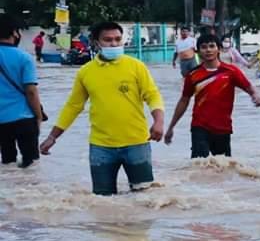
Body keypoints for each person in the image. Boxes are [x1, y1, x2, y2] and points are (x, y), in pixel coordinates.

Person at [40, 22, 165, 195]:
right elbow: (73, 106)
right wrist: (53, 137)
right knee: (102, 200)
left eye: (117, 39)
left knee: (144, 197)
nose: (113, 44)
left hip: (137, 143)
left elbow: (152, 95)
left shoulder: (136, 66)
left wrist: (158, 121)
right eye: (108, 40)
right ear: (96, 42)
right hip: (101, 147)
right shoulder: (86, 72)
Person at [164, 34, 260, 158]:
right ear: (198, 51)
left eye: (212, 46)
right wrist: (171, 127)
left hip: (223, 127)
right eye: (204, 47)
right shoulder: (193, 75)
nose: (208, 50)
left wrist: (255, 95)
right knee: (198, 166)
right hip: (199, 126)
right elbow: (184, 101)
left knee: (223, 169)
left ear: (219, 49)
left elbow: (249, 87)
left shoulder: (231, 71)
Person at [0, 15, 45, 168]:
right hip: (24, 119)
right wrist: (38, 116)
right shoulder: (24, 58)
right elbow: (31, 91)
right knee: (31, 165)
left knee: (7, 163)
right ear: (14, 33)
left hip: (1, 122)